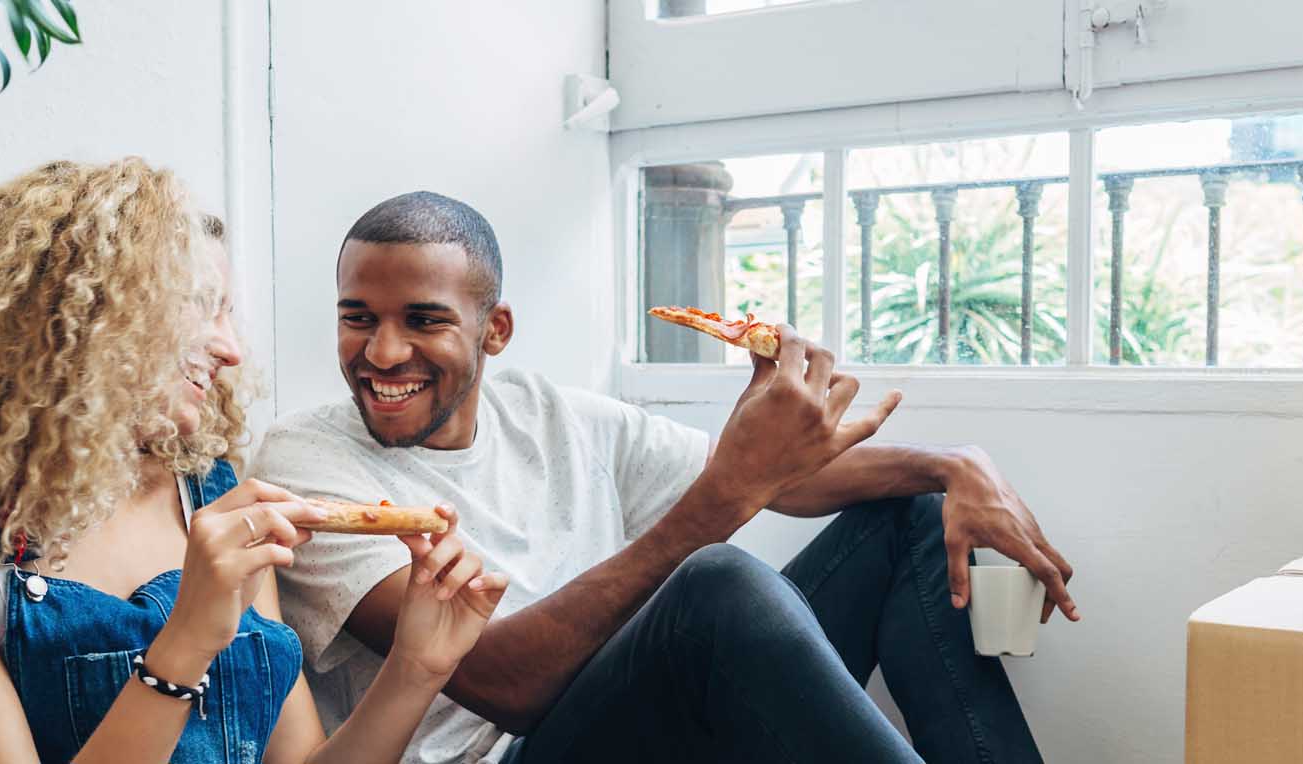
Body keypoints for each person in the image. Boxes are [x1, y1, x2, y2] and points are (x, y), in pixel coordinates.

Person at [256, 191, 1079, 763]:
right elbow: (500, 685)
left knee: (910, 515)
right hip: (516, 754)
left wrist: (952, 466)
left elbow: (779, 483)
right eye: (357, 318)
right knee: (714, 582)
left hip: (651, 720)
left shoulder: (558, 416)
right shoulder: (306, 468)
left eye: (423, 320)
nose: (383, 353)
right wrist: (723, 496)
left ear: (494, 329)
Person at [0, 160, 509, 764]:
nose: (231, 349)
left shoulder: (209, 491)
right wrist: (188, 638)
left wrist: (419, 665)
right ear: (82, 321)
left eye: (228, 312)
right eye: (202, 309)